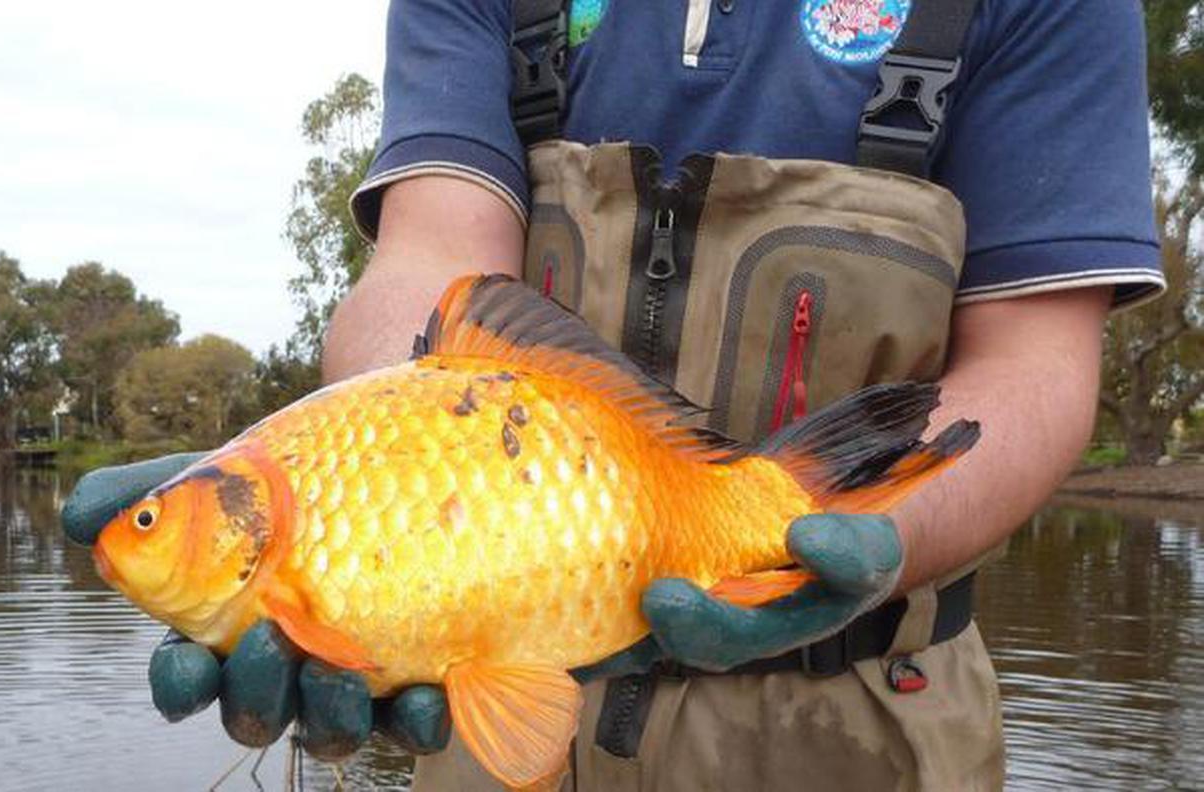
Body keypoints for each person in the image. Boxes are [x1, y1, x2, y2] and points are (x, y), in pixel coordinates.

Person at [62, 0, 1164, 788]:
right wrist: (387, 455)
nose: (139, 536)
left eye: (159, 521)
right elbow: (428, 256)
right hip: (500, 736)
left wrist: (846, 544)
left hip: (871, 725)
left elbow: (1036, 366)